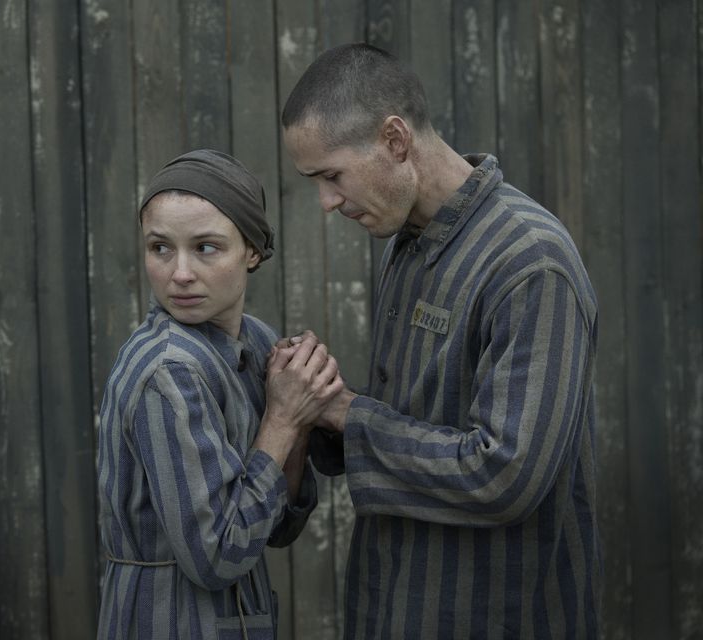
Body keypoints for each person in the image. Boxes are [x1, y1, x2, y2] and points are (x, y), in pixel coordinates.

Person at [274, 43, 602, 638]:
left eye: (331, 176)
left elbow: (505, 475)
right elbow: (424, 421)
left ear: (396, 141)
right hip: (394, 609)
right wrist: (318, 405)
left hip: (497, 617)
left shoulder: (530, 261)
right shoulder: (407, 242)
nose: (326, 202)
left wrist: (352, 415)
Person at [96, 149, 345, 639]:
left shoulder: (254, 340)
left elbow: (277, 529)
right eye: (160, 248)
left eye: (206, 247)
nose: (180, 273)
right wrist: (283, 421)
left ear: (251, 250)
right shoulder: (166, 372)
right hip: (165, 623)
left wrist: (300, 410)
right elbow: (216, 556)